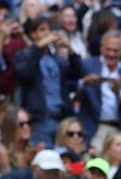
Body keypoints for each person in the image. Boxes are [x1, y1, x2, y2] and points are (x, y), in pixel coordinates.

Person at [15, 16, 81, 148]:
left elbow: (78, 73)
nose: (47, 34)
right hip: (40, 119)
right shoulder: (24, 55)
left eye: (49, 30)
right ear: (33, 34)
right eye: (42, 30)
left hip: (62, 118)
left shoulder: (57, 59)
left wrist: (70, 49)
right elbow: (26, 73)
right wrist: (38, 46)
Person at [77, 30, 121, 151]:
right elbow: (73, 91)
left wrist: (119, 93)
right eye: (108, 49)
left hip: (117, 129)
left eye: (115, 51)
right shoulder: (87, 66)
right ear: (101, 48)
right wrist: (84, 83)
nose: (111, 54)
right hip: (93, 127)